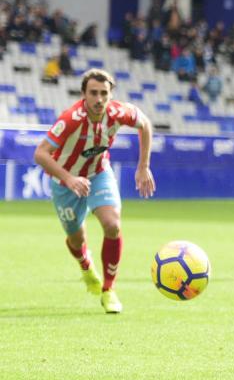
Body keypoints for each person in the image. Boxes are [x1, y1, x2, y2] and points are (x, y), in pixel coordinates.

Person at [33, 69, 156, 313]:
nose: (99, 99)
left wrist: (143, 166)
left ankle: (109, 290)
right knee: (76, 239)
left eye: (104, 93)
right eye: (93, 93)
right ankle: (86, 266)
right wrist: (68, 179)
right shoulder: (71, 119)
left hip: (99, 173)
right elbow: (40, 153)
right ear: (83, 94)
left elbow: (145, 124)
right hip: (65, 182)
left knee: (112, 224)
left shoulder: (118, 112)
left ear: (111, 95)